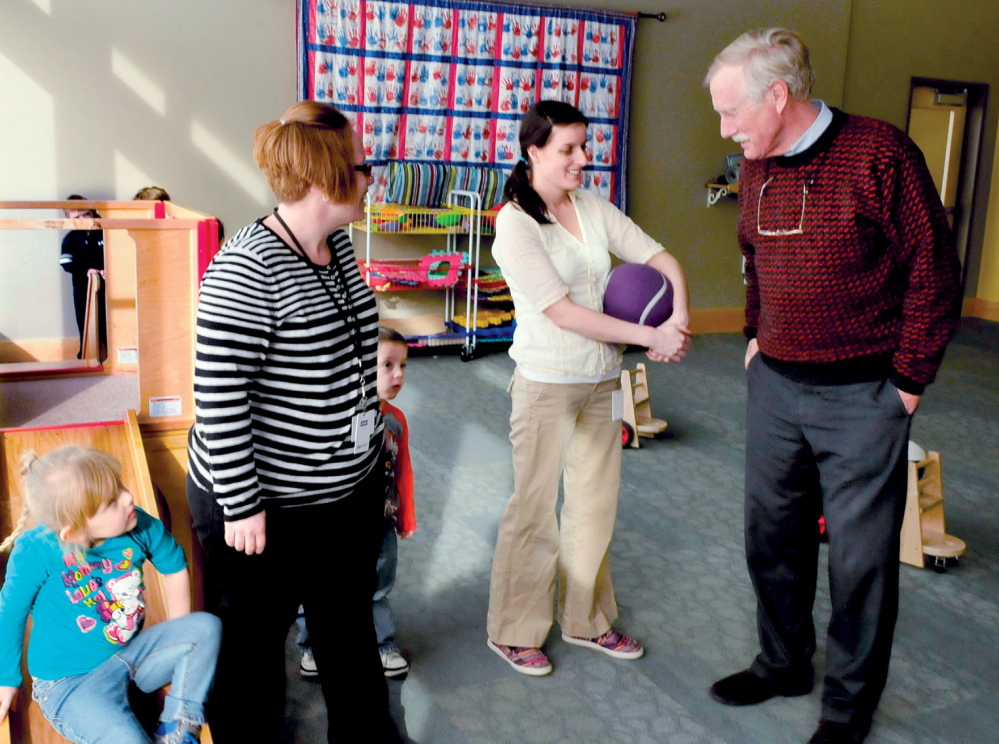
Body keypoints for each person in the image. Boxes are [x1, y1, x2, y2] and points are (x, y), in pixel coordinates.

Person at [704, 28, 962, 744]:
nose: (725, 129)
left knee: (858, 562)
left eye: (732, 112)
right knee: (771, 538)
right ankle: (782, 662)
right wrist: (755, 339)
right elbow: (754, 260)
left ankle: (847, 708)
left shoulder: (880, 155)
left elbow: (933, 274)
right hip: (776, 388)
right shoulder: (755, 167)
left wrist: (905, 384)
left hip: (863, 397)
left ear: (778, 96)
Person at [186, 101, 400, 743]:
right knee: (254, 647)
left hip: (340, 492)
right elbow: (219, 398)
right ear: (322, 181)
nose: (371, 179)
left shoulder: (334, 244)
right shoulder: (246, 268)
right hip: (263, 506)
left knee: (347, 628)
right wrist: (244, 506)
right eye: (363, 168)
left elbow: (344, 344)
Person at [486, 100, 691, 676]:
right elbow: (564, 312)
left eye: (585, 146)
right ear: (533, 153)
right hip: (546, 384)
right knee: (534, 509)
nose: (583, 159)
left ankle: (586, 620)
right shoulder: (514, 223)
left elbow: (660, 256)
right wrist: (649, 333)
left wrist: (676, 322)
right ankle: (513, 630)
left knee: (594, 505)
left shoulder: (593, 207)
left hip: (603, 382)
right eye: (568, 149)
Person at [0, 446, 220, 744]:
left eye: (119, 486)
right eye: (111, 501)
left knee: (206, 627)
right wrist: (6, 680)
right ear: (75, 532)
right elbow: (10, 612)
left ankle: (178, 726)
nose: (128, 497)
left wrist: (177, 633)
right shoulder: (35, 550)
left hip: (131, 656)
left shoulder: (138, 523)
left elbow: (174, 566)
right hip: (69, 683)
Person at [297, 327, 417, 680]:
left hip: (378, 521)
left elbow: (403, 469)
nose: (398, 375)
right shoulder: (337, 416)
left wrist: (405, 515)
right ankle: (312, 646)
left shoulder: (396, 419)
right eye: (387, 365)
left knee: (378, 584)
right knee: (318, 584)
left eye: (403, 366)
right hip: (333, 520)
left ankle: (381, 643)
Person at [59, 194, 106, 360]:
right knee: (85, 319)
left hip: (108, 283)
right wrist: (85, 271)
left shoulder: (104, 233)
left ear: (92, 213)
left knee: (108, 318)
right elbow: (66, 263)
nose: (83, 219)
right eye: (77, 217)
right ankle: (85, 352)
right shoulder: (70, 239)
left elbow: (117, 254)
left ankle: (110, 350)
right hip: (82, 286)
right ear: (69, 219)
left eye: (86, 214)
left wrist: (108, 269)